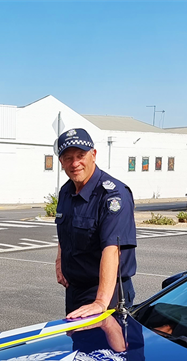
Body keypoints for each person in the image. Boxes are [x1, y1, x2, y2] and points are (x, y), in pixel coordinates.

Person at [55, 128, 137, 320]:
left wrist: (100, 302)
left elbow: (112, 249)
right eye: (68, 158)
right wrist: (60, 261)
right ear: (61, 162)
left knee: (104, 350)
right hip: (75, 291)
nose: (75, 163)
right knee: (79, 349)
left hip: (107, 294)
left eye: (80, 155)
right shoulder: (66, 191)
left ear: (93, 155)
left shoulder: (112, 195)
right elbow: (64, 229)